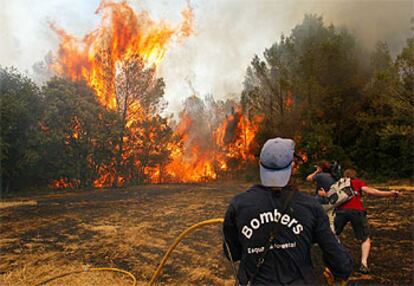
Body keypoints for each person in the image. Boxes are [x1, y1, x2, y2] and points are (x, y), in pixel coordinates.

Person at [223, 138, 353, 285]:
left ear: (260, 164)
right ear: (292, 166)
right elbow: (341, 264)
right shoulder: (310, 206)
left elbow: (231, 253)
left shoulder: (239, 205)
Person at [334, 168, 400, 274]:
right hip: (357, 211)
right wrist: (390, 193)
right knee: (365, 237)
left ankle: (337, 258)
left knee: (333, 234)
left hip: (340, 211)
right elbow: (371, 191)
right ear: (354, 175)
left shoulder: (338, 184)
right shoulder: (358, 182)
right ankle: (364, 263)